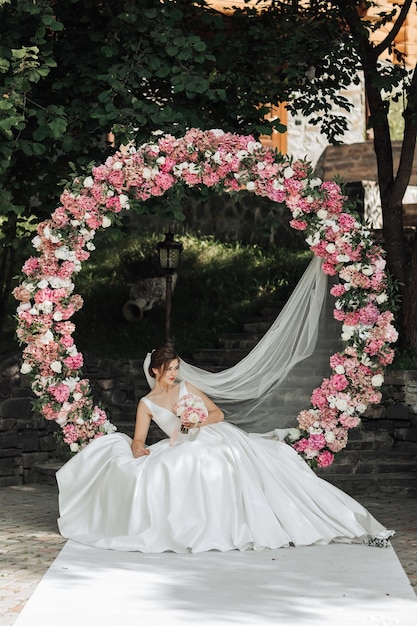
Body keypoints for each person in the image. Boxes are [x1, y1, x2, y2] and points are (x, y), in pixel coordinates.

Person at [56, 345, 393, 553]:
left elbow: (218, 413)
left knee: (210, 456)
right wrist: (140, 447)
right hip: (177, 443)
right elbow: (138, 439)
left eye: (176, 368)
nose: (174, 374)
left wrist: (195, 422)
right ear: (155, 370)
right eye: (169, 369)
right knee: (173, 465)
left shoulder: (187, 387)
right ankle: (190, 527)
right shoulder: (146, 403)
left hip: (211, 434)